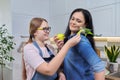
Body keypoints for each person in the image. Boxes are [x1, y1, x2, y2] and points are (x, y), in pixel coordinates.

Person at [54, 8, 105, 80]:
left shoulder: (80, 41)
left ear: (85, 25)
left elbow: (99, 66)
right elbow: (68, 63)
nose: (73, 22)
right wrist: (62, 49)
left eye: (78, 21)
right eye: (72, 19)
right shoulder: (70, 40)